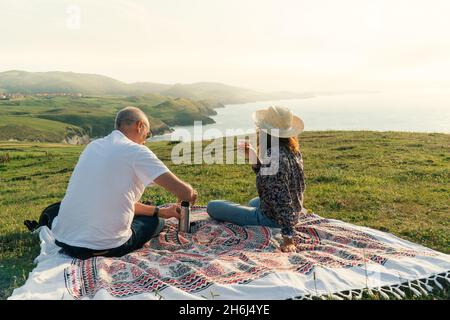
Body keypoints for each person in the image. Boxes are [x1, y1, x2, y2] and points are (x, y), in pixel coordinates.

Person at [52, 106, 197, 260]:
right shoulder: (136, 151)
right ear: (140, 126)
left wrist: (161, 210)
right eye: (147, 134)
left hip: (64, 241)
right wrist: (187, 195)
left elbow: (118, 201)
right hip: (102, 248)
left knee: (155, 215)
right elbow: (185, 193)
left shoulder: (93, 146)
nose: (145, 141)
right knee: (156, 222)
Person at [207, 105, 307, 253]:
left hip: (274, 219)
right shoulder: (291, 150)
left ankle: (262, 219)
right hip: (294, 210)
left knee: (212, 206)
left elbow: (282, 199)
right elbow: (271, 181)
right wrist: (253, 158)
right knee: (253, 202)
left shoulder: (274, 158)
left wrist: (288, 239)